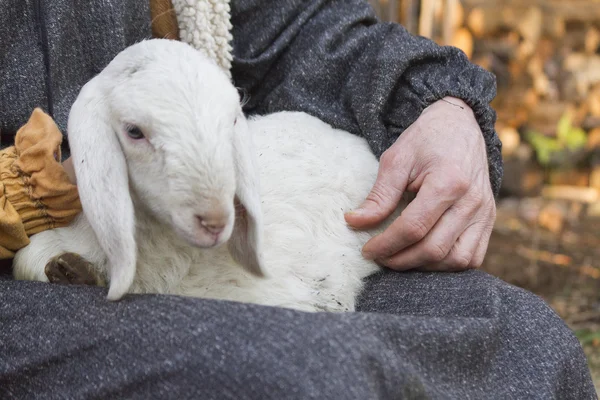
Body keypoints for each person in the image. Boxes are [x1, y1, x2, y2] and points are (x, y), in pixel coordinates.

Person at [0, 0, 595, 398]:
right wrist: (31, 186)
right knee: (309, 378)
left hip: (186, 241)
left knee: (526, 343)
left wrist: (439, 105)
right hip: (27, 281)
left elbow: (293, 27)